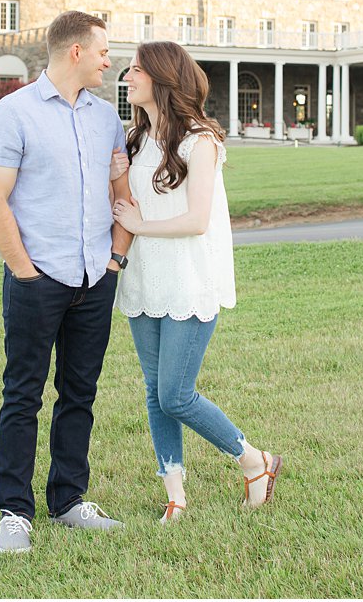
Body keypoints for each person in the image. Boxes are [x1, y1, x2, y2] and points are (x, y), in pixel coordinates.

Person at [0, 11, 134, 554]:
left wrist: (115, 261)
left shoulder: (106, 119)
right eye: (103, 51)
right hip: (36, 278)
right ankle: (14, 512)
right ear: (75, 52)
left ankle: (68, 500)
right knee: (22, 395)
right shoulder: (11, 114)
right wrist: (24, 270)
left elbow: (122, 194)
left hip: (96, 277)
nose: (109, 60)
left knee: (80, 393)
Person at [111, 41, 283, 524]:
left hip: (189, 279)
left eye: (136, 70)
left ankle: (255, 461)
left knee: (175, 393)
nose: (127, 77)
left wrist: (140, 225)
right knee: (153, 390)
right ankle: (176, 494)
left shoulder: (200, 140)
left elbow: (196, 218)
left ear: (163, 78)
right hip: (144, 279)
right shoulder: (134, 138)